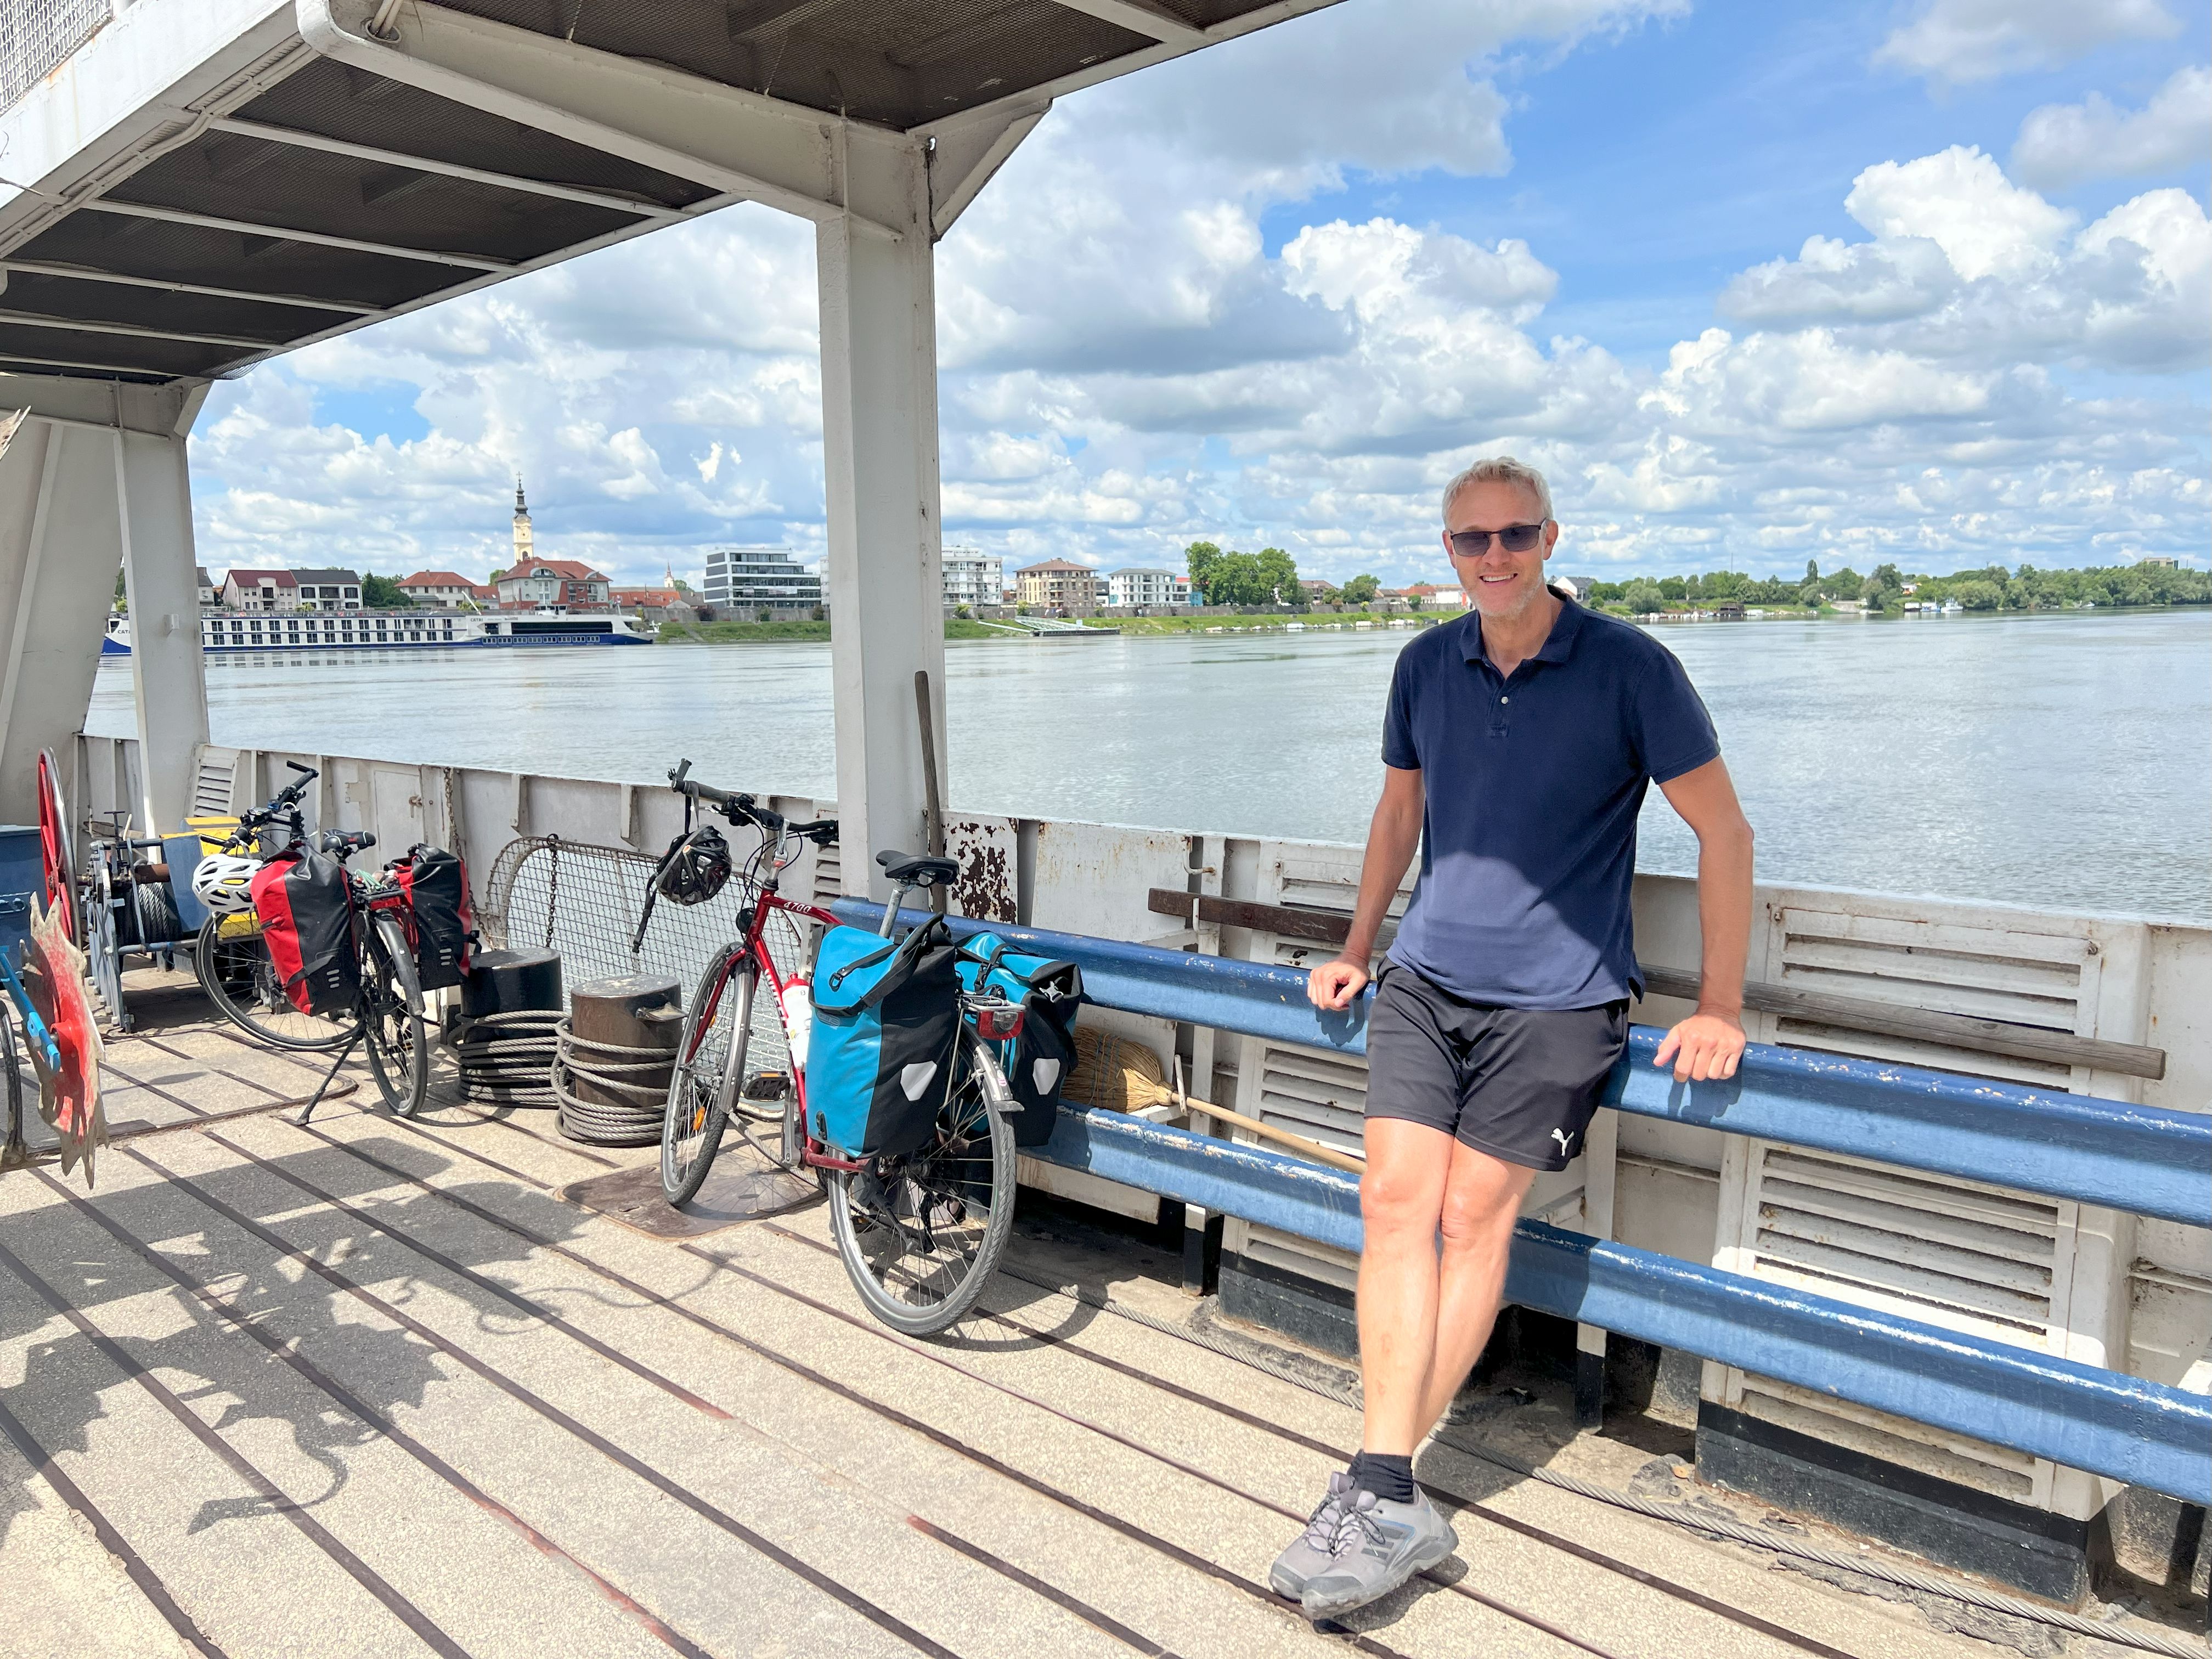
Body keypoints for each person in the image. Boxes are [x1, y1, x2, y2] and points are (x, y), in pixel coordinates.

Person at [1269, 455, 1753, 1621]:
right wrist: (1356, 943)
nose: (1495, 557)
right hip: (1426, 979)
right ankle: (1388, 1488)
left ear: (1550, 538)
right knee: (1394, 1202)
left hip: (1560, 1000)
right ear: (1447, 551)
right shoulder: (1423, 664)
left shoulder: (1632, 668)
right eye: (1471, 540)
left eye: (1515, 535)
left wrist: (1721, 1005)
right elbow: (1399, 811)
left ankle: (1377, 1485)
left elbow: (1726, 835)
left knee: (1470, 1218)